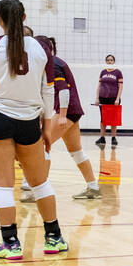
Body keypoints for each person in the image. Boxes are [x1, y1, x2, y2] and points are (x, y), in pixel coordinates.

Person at [0, 0, 68, 260]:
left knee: (3, 184)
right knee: (40, 183)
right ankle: (54, 238)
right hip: (30, 121)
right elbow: (48, 91)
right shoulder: (41, 49)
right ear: (24, 17)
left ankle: (11, 244)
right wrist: (46, 127)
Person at [28, 37, 101, 201]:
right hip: (71, 111)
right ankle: (93, 188)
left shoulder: (53, 64)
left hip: (66, 112)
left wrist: (62, 115)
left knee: (42, 146)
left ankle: (39, 191)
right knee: (76, 151)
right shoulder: (53, 62)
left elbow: (63, 91)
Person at [95, 54, 123, 146]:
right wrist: (97, 98)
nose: (109, 61)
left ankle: (113, 138)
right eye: (108, 60)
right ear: (106, 61)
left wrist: (117, 99)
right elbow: (99, 86)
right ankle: (102, 138)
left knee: (113, 119)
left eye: (111, 60)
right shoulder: (103, 72)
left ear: (114, 61)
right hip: (103, 98)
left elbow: (120, 86)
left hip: (113, 99)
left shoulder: (118, 72)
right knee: (103, 119)